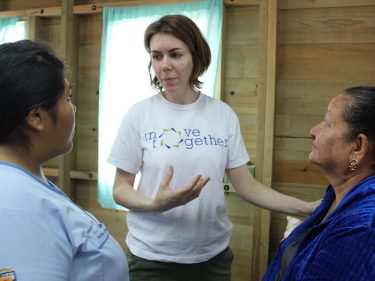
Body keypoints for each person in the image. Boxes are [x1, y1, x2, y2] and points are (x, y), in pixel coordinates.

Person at [108, 15, 317, 281]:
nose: (164, 66)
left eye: (175, 54)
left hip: (212, 258)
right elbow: (120, 188)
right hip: (152, 258)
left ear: (196, 57)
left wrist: (305, 209)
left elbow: (247, 185)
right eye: (157, 56)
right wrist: (153, 204)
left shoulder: (222, 114)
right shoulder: (139, 115)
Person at [0, 40, 129, 281]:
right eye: (68, 99)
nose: (74, 108)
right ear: (36, 116)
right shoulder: (14, 204)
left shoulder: (24, 181)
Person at [263, 86, 375, 281]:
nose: (313, 131)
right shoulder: (335, 195)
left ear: (358, 147)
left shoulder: (361, 228)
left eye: (327, 123)